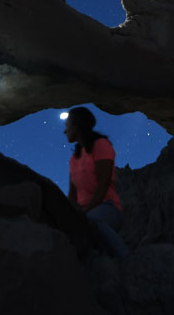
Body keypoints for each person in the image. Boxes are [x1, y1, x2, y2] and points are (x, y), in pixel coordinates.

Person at [64, 106, 129, 258]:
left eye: (67, 126)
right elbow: (72, 194)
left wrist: (85, 213)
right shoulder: (74, 158)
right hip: (84, 212)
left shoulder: (101, 145)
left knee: (92, 221)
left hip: (108, 208)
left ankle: (127, 259)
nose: (65, 131)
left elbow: (104, 182)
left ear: (77, 125)